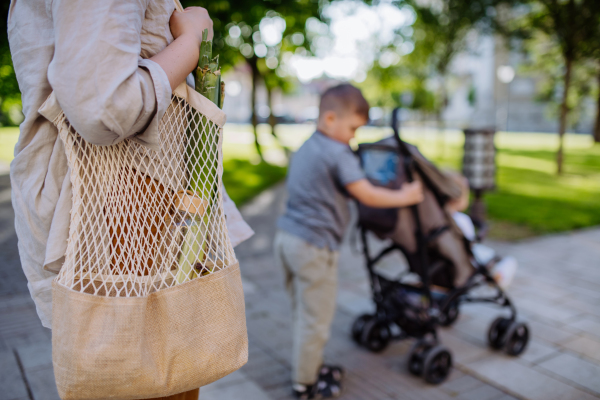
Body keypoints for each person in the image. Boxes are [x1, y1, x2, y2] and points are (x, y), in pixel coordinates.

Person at [8, 1, 252, 398]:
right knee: (148, 381)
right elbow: (103, 106)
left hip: (135, 205)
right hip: (129, 201)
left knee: (159, 379)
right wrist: (191, 42)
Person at [274, 84, 424, 399]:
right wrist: (404, 195)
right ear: (330, 118)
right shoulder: (337, 152)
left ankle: (309, 365)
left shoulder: (308, 145)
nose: (354, 137)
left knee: (304, 313)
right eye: (353, 128)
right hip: (314, 247)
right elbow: (365, 193)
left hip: (287, 240)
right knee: (316, 321)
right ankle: (306, 385)